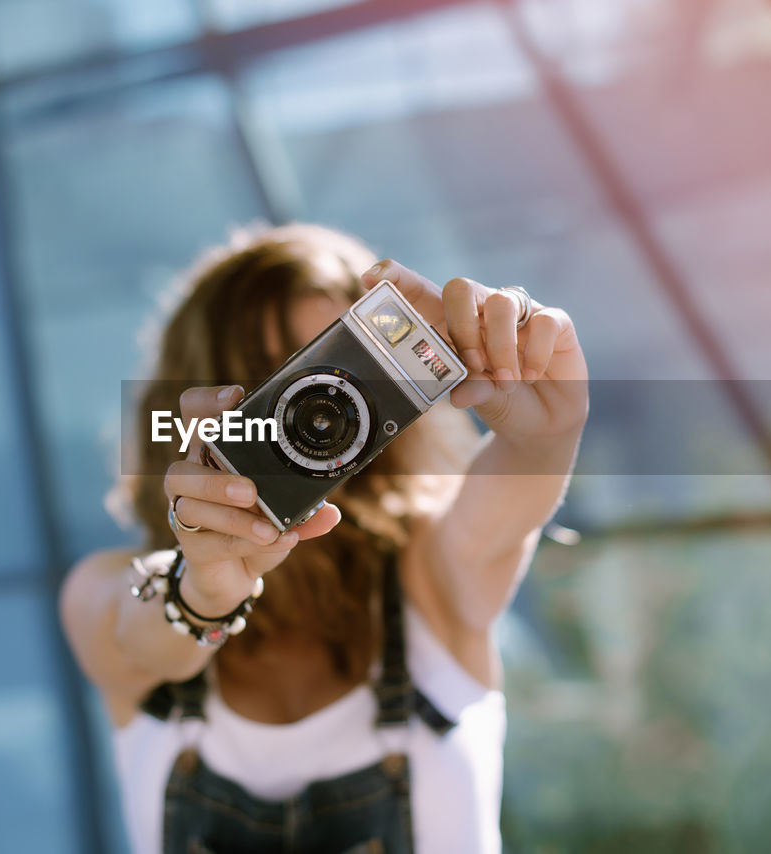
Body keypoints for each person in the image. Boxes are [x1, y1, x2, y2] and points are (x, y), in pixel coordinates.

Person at [60, 223, 588, 854]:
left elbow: (501, 512)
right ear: (210, 401)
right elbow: (139, 637)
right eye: (286, 380)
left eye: (350, 372)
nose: (321, 409)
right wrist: (203, 589)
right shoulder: (109, 589)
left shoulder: (430, 574)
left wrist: (545, 433)